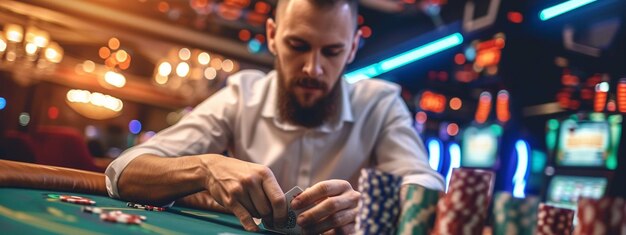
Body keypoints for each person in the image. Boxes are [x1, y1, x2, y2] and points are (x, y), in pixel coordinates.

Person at [105, 0, 444, 233]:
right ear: (271, 36)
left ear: (353, 48)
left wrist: (368, 207)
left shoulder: (380, 104)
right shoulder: (241, 96)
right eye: (298, 46)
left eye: (332, 51)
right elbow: (122, 172)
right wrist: (205, 167)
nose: (313, 68)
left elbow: (425, 182)